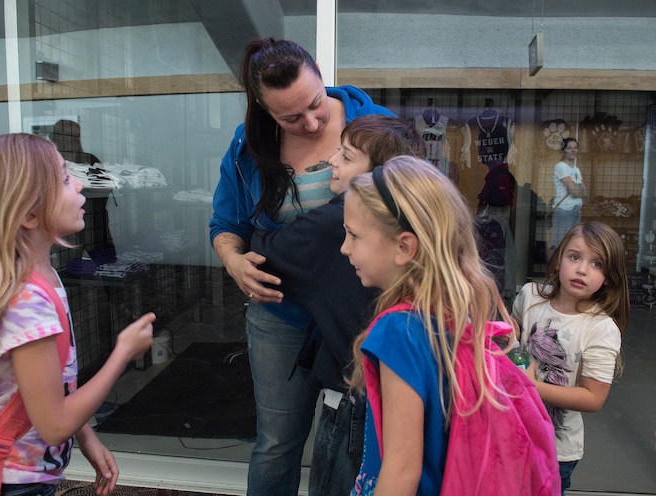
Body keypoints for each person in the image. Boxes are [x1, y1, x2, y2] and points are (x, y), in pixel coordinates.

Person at [208, 38, 394, 495]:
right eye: (291, 118)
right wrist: (233, 260)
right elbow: (225, 223)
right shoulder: (244, 144)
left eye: (316, 106)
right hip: (280, 316)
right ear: (262, 110)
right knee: (276, 443)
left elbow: (423, 213)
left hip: (361, 317)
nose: (310, 124)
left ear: (321, 79)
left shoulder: (378, 127)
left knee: (360, 441)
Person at [0, 133, 155, 496]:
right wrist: (122, 353)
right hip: (13, 484)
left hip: (25, 474)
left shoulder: (42, 275)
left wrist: (87, 436)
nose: (79, 183)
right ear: (31, 213)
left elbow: (49, 387)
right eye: (65, 179)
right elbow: (53, 424)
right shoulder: (25, 301)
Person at [250, 115, 425, 496]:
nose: (332, 161)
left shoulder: (328, 226)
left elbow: (265, 251)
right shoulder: (423, 221)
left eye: (346, 157)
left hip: (351, 398)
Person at [342, 156, 519, 494]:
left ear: (404, 246)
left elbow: (401, 471)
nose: (344, 247)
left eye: (353, 235)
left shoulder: (398, 333)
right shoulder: (452, 316)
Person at [512, 221, 629, 495]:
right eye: (574, 257)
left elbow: (593, 398)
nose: (582, 269)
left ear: (609, 277)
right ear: (558, 259)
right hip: (515, 432)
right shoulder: (529, 297)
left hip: (557, 449)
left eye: (597, 264)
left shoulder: (601, 327)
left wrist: (531, 385)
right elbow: (516, 345)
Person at [50, 119, 116, 260]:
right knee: (71, 267)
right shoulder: (50, 162)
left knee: (106, 263)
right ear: (55, 137)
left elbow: (107, 187)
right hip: (64, 227)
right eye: (68, 135)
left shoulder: (90, 160)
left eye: (76, 136)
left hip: (95, 224)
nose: (74, 140)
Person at [550, 137, 584, 252]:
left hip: (576, 209)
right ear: (563, 150)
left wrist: (577, 190)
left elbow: (585, 193)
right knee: (561, 244)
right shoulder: (561, 167)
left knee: (573, 245)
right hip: (564, 210)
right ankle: (556, 270)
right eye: (569, 148)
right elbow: (575, 192)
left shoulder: (576, 169)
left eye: (575, 148)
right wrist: (578, 191)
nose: (573, 150)